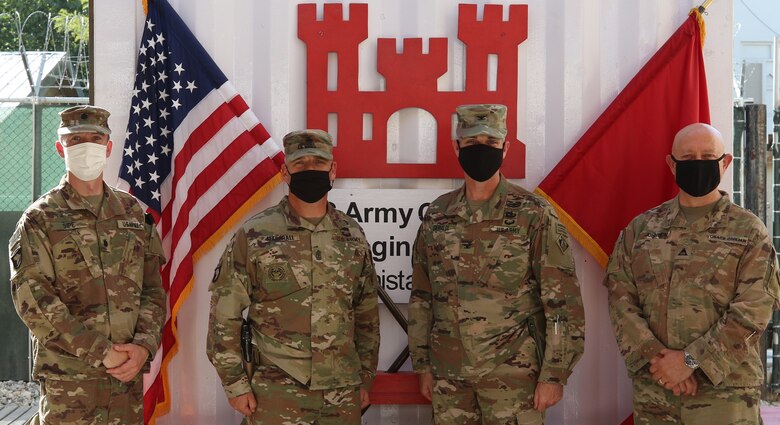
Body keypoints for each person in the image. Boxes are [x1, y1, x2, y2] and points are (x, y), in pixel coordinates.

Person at [408, 104, 585, 424]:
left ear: (505, 148)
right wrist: (422, 365)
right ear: (456, 147)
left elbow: (562, 301)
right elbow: (422, 296)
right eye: (472, 143)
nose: (481, 150)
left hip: (515, 379)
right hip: (451, 378)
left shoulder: (532, 213)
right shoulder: (437, 214)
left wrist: (555, 374)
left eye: (490, 143)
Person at [605, 123, 780, 424]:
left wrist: (689, 361)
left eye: (707, 156)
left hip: (725, 394)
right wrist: (659, 360)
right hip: (656, 390)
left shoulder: (750, 232)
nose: (698, 164)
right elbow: (621, 299)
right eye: (687, 159)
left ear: (724, 162)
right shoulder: (641, 230)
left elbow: (754, 311)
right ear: (672, 165)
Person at [207, 129, 380, 425]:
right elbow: (225, 314)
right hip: (275, 389)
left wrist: (364, 379)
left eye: (318, 162)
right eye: (300, 164)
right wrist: (235, 384)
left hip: (341, 389)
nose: (310, 169)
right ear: (285, 172)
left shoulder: (351, 234)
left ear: (332, 169)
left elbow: (366, 314)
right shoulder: (255, 234)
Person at [8, 105, 167, 425]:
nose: (86, 146)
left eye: (94, 139)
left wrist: (143, 347)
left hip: (126, 379)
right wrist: (101, 353)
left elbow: (152, 289)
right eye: (75, 139)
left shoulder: (133, 214)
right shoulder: (40, 219)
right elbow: (35, 304)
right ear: (59, 148)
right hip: (70, 383)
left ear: (108, 148)